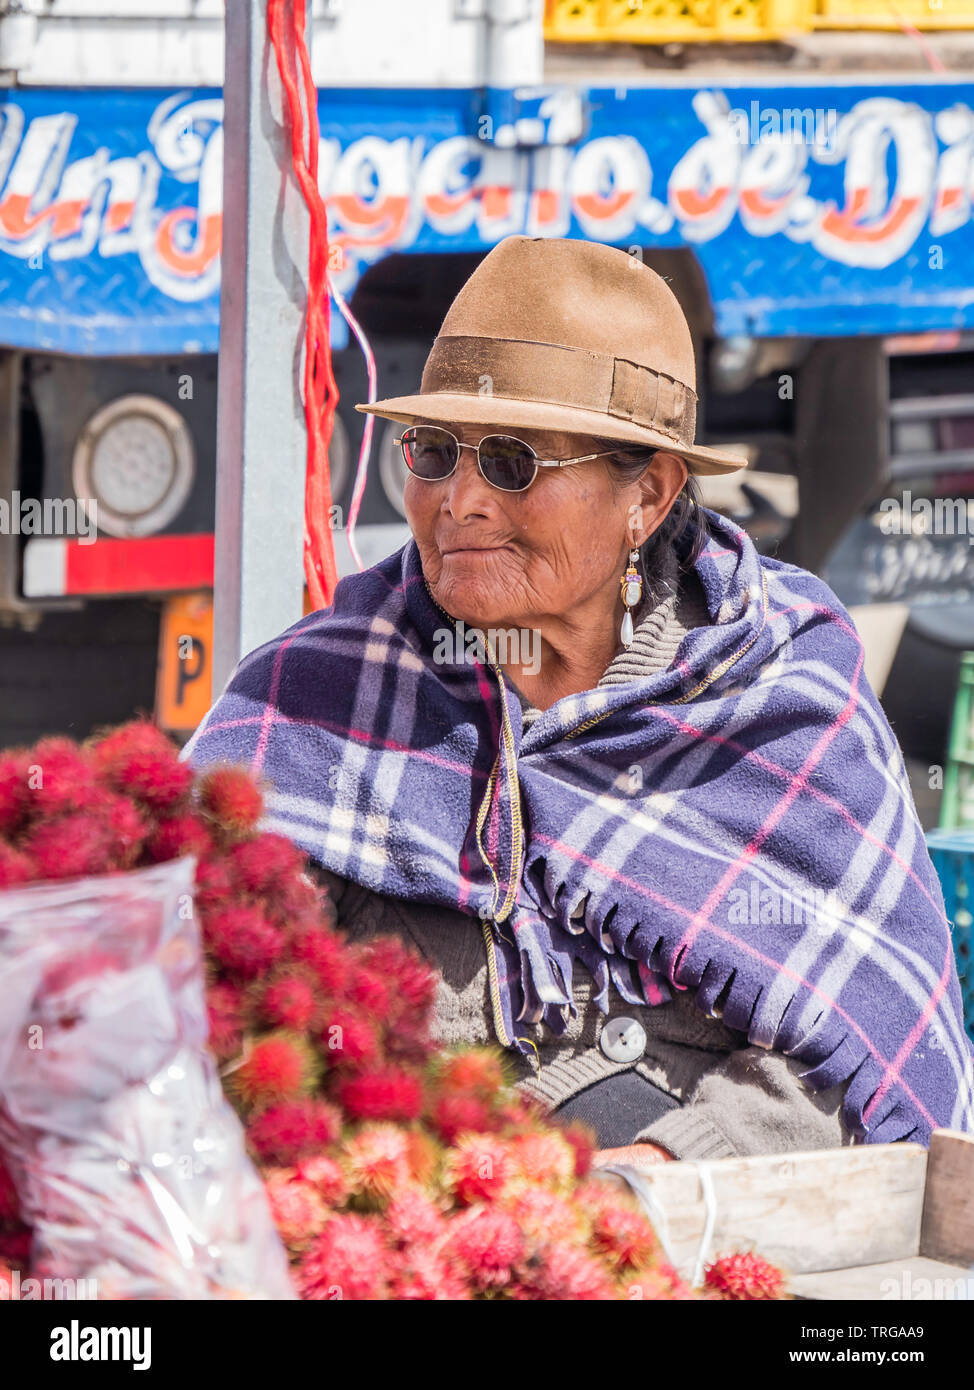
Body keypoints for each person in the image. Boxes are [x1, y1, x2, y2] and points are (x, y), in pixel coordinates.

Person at [187, 235, 974, 1166]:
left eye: (514, 462)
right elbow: (206, 990)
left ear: (646, 492)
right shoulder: (320, 695)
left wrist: (659, 1177)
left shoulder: (780, 696)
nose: (460, 499)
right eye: (436, 452)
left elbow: (861, 1052)